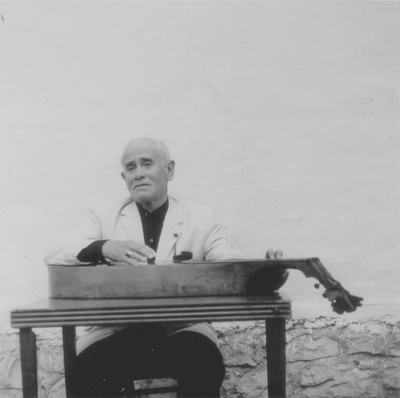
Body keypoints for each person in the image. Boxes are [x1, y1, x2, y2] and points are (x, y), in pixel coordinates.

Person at [44, 138, 287, 398]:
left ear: (169, 170)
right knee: (89, 370)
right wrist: (104, 246)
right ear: (123, 176)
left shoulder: (201, 218)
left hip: (181, 328)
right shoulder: (104, 216)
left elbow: (230, 265)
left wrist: (267, 274)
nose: (138, 174)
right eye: (131, 167)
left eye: (147, 163)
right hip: (117, 331)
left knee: (204, 362)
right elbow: (54, 254)